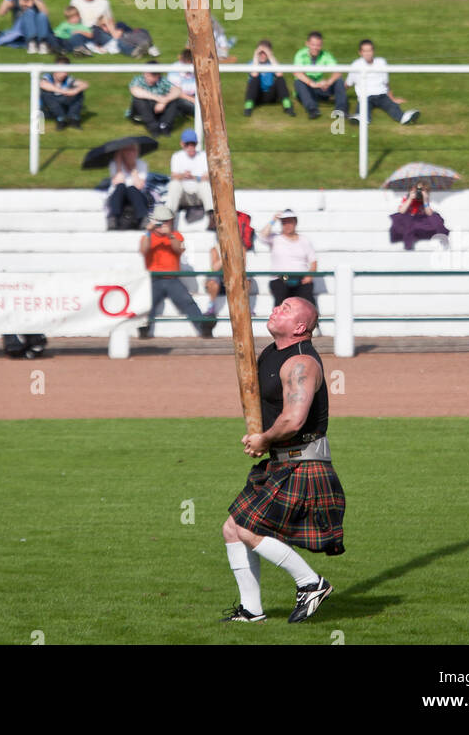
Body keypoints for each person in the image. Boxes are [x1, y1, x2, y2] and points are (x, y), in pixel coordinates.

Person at [221, 296, 344, 624]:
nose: (276, 309)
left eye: (286, 309)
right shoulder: (272, 354)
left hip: (304, 463)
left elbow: (294, 419)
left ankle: (311, 583)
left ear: (300, 327)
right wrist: (263, 437)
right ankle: (251, 611)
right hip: (281, 460)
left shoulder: (302, 363)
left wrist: (264, 437)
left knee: (246, 528)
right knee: (233, 529)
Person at [137, 208, 211, 339]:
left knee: (187, 301)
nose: (163, 225)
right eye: (160, 222)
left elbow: (179, 249)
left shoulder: (175, 235)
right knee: (147, 304)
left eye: (166, 221)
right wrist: (148, 231)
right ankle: (143, 329)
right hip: (153, 279)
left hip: (172, 279)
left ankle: (203, 327)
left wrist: (169, 234)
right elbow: (144, 250)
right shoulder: (147, 236)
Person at [69, 0, 158, 57]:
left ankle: (141, 45)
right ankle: (81, 49)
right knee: (76, 36)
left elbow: (110, 19)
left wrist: (110, 29)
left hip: (101, 30)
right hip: (86, 31)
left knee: (121, 32)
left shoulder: (103, 2)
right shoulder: (75, 1)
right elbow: (72, 19)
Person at [346, 39, 419, 126]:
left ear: (373, 51)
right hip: (365, 95)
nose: (368, 53)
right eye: (365, 51)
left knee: (392, 106)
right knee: (363, 106)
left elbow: (386, 83)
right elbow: (348, 83)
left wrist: (392, 98)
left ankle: (404, 118)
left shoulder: (381, 62)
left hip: (381, 95)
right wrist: (338, 96)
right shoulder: (355, 65)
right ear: (360, 53)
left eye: (370, 50)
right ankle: (361, 119)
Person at [259, 209, 317, 307]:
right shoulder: (275, 238)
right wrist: (273, 220)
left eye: (290, 222)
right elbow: (262, 236)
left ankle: (312, 321)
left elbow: (313, 261)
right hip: (281, 278)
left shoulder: (304, 240)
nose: (287, 225)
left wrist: (309, 276)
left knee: (308, 305)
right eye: (284, 222)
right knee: (281, 302)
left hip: (300, 279)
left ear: (295, 223)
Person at [0, 0, 68, 54]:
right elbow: (1, 13)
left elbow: (46, 14)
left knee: (41, 15)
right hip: (22, 32)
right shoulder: (15, 0)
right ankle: (32, 43)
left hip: (39, 31)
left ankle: (42, 44)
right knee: (29, 12)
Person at [292, 31, 348, 121]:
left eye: (318, 45)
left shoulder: (326, 55)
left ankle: (341, 109)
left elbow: (338, 71)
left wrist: (328, 82)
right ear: (307, 44)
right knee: (298, 82)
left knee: (339, 80)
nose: (315, 48)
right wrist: (311, 83)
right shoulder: (300, 55)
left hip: (320, 87)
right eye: (313, 45)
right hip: (307, 88)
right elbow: (297, 73)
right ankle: (312, 109)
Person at [165, 128, 215, 228]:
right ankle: (169, 219)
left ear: (196, 144)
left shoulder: (203, 156)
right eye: (187, 144)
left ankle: (212, 216)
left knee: (205, 185)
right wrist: (183, 175)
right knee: (174, 184)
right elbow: (174, 175)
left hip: (198, 195)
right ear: (182, 144)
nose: (190, 147)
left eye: (193, 144)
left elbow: (208, 177)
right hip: (183, 196)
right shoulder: (177, 156)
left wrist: (194, 177)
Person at [389, 182, 449, 252]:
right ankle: (409, 244)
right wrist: (410, 199)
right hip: (410, 220)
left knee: (435, 217)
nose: (419, 192)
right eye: (417, 190)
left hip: (422, 222)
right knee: (404, 220)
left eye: (421, 190)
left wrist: (425, 201)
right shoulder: (408, 198)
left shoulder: (425, 199)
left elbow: (429, 214)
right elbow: (401, 211)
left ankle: (441, 236)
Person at [105, 141, 150, 230]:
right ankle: (113, 218)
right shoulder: (114, 164)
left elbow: (139, 186)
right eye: (127, 150)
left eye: (133, 150)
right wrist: (118, 165)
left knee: (131, 188)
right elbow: (118, 181)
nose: (130, 153)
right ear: (122, 152)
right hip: (118, 195)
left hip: (136, 195)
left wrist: (133, 168)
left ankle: (144, 218)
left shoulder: (142, 164)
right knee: (121, 186)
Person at [244, 39, 294, 117]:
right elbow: (254, 74)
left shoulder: (272, 62)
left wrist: (270, 56)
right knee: (255, 78)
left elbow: (279, 73)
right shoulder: (252, 63)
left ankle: (287, 106)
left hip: (271, 95)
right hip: (257, 95)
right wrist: (255, 56)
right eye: (261, 53)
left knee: (280, 79)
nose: (263, 55)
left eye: (265, 53)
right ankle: (248, 107)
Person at [128, 69, 185, 136]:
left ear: (158, 75)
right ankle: (153, 127)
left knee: (174, 101)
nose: (151, 79)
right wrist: (158, 99)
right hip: (140, 113)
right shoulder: (138, 79)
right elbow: (135, 91)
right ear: (144, 73)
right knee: (138, 100)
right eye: (148, 75)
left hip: (157, 109)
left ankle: (165, 126)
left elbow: (177, 91)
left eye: (154, 76)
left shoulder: (162, 81)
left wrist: (166, 100)